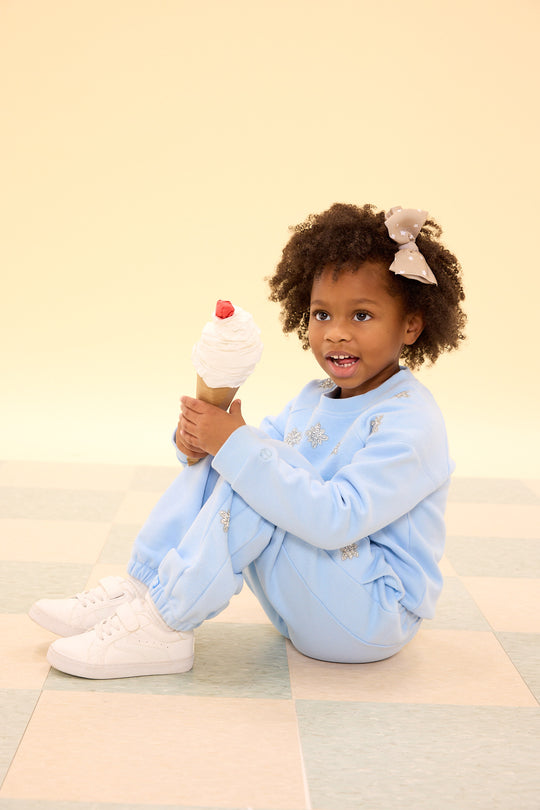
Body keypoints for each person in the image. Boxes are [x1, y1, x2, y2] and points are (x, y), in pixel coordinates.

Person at [30, 203, 466, 679]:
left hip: (373, 613)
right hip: (316, 600)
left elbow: (336, 519)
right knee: (239, 457)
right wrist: (199, 440)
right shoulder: (314, 397)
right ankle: (145, 587)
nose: (336, 333)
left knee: (251, 468)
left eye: (361, 315)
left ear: (411, 325)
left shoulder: (410, 421)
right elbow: (252, 456)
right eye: (322, 314)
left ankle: (165, 624)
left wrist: (234, 447)